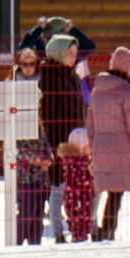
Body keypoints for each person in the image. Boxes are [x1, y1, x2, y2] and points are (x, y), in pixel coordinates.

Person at [86, 47, 130, 241]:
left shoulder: (96, 92)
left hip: (101, 149)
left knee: (100, 192)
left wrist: (93, 148)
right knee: (116, 195)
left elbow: (89, 126)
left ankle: (94, 228)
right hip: (122, 152)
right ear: (126, 69)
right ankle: (108, 231)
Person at [38, 33, 85, 242]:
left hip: (75, 137)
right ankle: (57, 232)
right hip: (58, 139)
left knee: (74, 185)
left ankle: (76, 226)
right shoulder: (49, 76)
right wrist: (56, 143)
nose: (73, 57)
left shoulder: (73, 76)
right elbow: (50, 113)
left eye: (75, 53)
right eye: (69, 53)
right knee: (57, 187)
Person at [59, 127, 96, 243]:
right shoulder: (79, 162)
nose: (90, 149)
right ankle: (80, 239)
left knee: (79, 221)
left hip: (77, 197)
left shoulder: (70, 160)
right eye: (87, 146)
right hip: (80, 198)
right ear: (80, 147)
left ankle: (79, 237)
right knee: (81, 221)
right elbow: (83, 177)